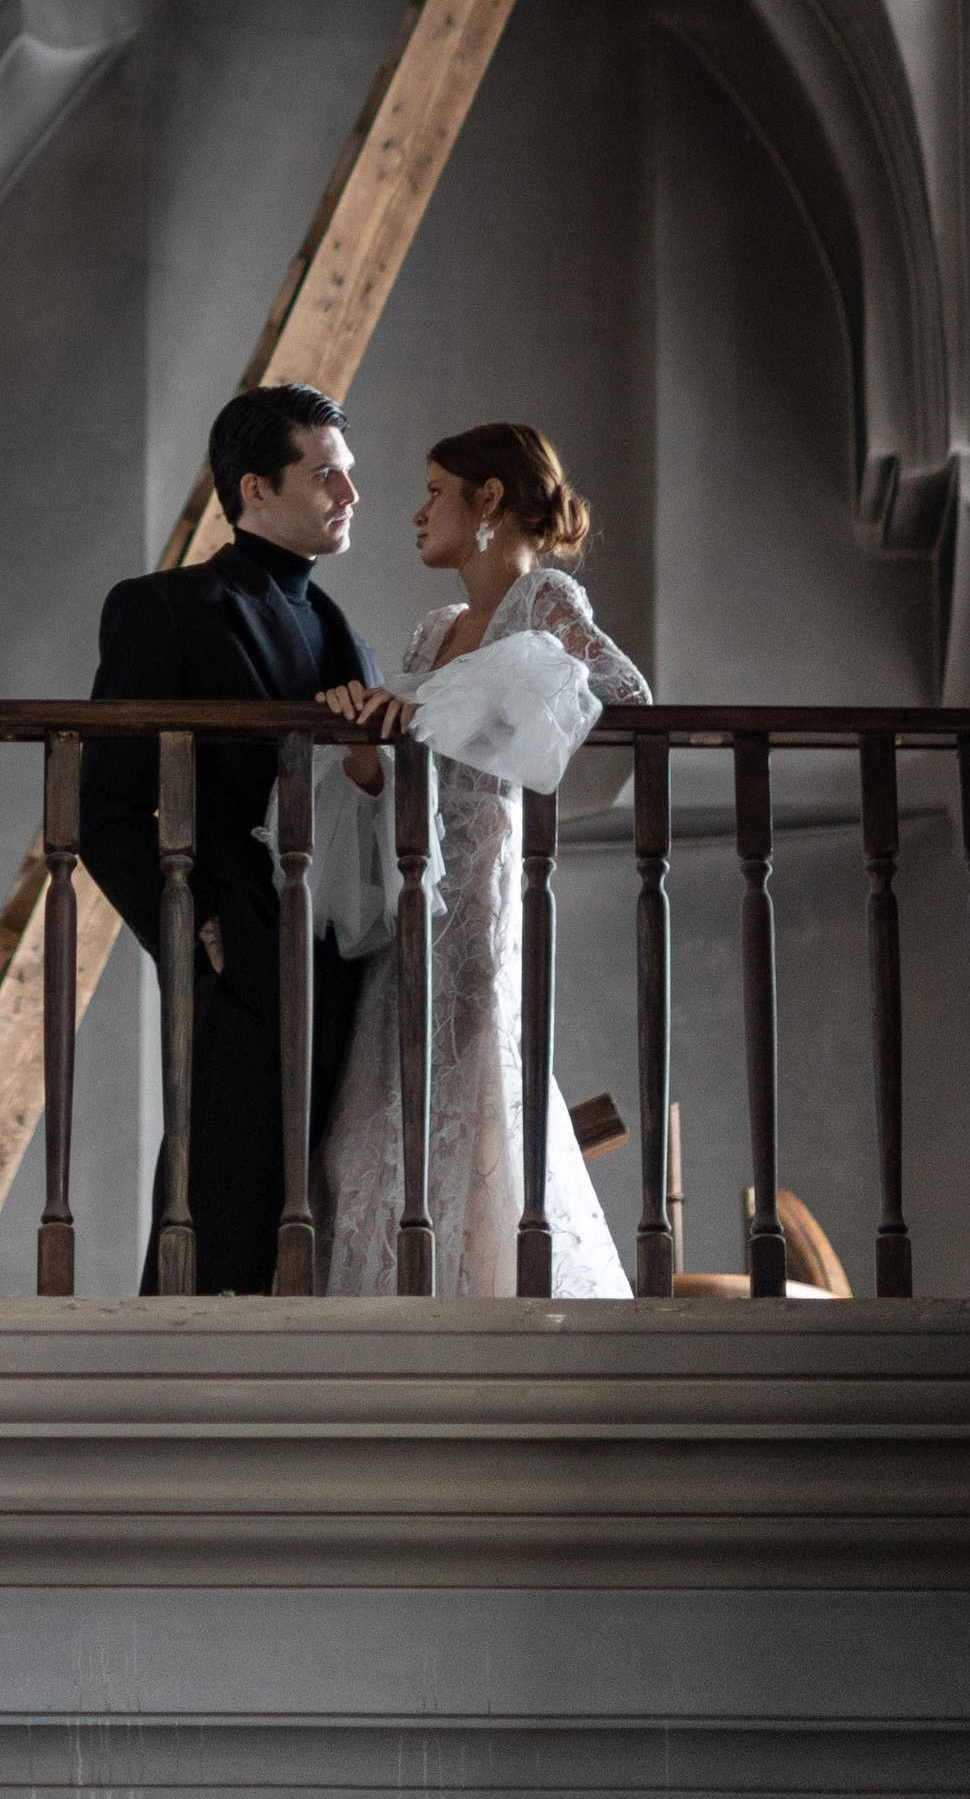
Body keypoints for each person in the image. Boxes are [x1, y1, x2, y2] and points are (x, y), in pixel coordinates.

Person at [313, 422, 648, 1297]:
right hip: (412, 890)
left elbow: (624, 694)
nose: (417, 511)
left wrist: (451, 703)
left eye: (435, 490)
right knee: (376, 1119)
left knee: (471, 1093)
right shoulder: (432, 630)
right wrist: (365, 743)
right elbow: (405, 760)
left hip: (482, 892)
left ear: (489, 500)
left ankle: (481, 1292)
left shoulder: (543, 604)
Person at [79, 383, 381, 1294]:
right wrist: (197, 926)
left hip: (346, 962)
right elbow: (109, 810)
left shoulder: (338, 628)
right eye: (325, 474)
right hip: (237, 951)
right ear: (255, 489)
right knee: (222, 1204)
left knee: (319, 1215)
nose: (350, 493)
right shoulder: (163, 607)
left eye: (350, 474)